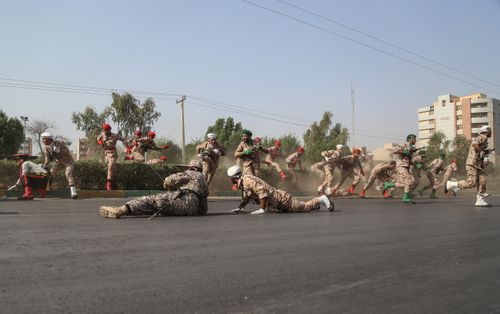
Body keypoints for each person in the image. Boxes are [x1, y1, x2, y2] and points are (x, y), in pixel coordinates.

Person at [99, 159, 208, 219]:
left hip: (184, 199)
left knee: (151, 200)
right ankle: (130, 210)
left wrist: (166, 183)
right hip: (191, 210)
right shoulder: (203, 179)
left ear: (192, 167)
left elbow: (171, 180)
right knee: (156, 206)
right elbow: (203, 208)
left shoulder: (191, 173)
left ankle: (122, 210)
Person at [227, 165, 334, 214]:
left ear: (235, 178)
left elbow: (262, 192)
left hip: (282, 199)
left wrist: (262, 209)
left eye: (232, 180)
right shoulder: (245, 181)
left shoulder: (247, 181)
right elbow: (248, 196)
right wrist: (240, 208)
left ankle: (321, 199)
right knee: (303, 206)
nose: (232, 182)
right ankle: (316, 205)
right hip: (277, 202)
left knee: (304, 208)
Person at [445, 125, 493, 207]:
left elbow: (479, 150)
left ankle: (480, 200)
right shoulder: (482, 136)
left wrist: (486, 151)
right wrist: (481, 150)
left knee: (482, 181)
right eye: (490, 130)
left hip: (478, 165)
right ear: (486, 130)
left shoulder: (485, 139)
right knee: (471, 183)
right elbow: (475, 144)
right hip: (472, 164)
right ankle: (451, 184)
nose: (491, 132)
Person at [41, 132, 78, 199]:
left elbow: (66, 152)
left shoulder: (59, 143)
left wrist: (59, 151)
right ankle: (47, 189)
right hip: (59, 163)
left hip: (68, 161)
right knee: (51, 172)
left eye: (44, 139)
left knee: (68, 173)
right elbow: (47, 158)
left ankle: (73, 192)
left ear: (49, 139)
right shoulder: (46, 148)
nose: (42, 141)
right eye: (42, 139)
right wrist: (44, 165)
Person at [384, 134, 418, 204]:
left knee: (410, 182)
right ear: (410, 139)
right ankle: (405, 197)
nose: (415, 140)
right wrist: (403, 152)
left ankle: (390, 185)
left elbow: (408, 159)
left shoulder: (410, 147)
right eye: (414, 138)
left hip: (405, 167)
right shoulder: (405, 144)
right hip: (401, 166)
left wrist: (415, 164)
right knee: (409, 181)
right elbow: (394, 150)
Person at [96, 123, 125, 190]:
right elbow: (98, 139)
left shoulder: (114, 136)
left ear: (109, 130)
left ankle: (109, 185)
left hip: (112, 154)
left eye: (106, 130)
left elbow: (122, 139)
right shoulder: (102, 135)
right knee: (104, 167)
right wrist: (101, 142)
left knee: (110, 166)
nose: (105, 131)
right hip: (105, 153)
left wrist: (128, 141)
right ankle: (105, 183)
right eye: (104, 130)